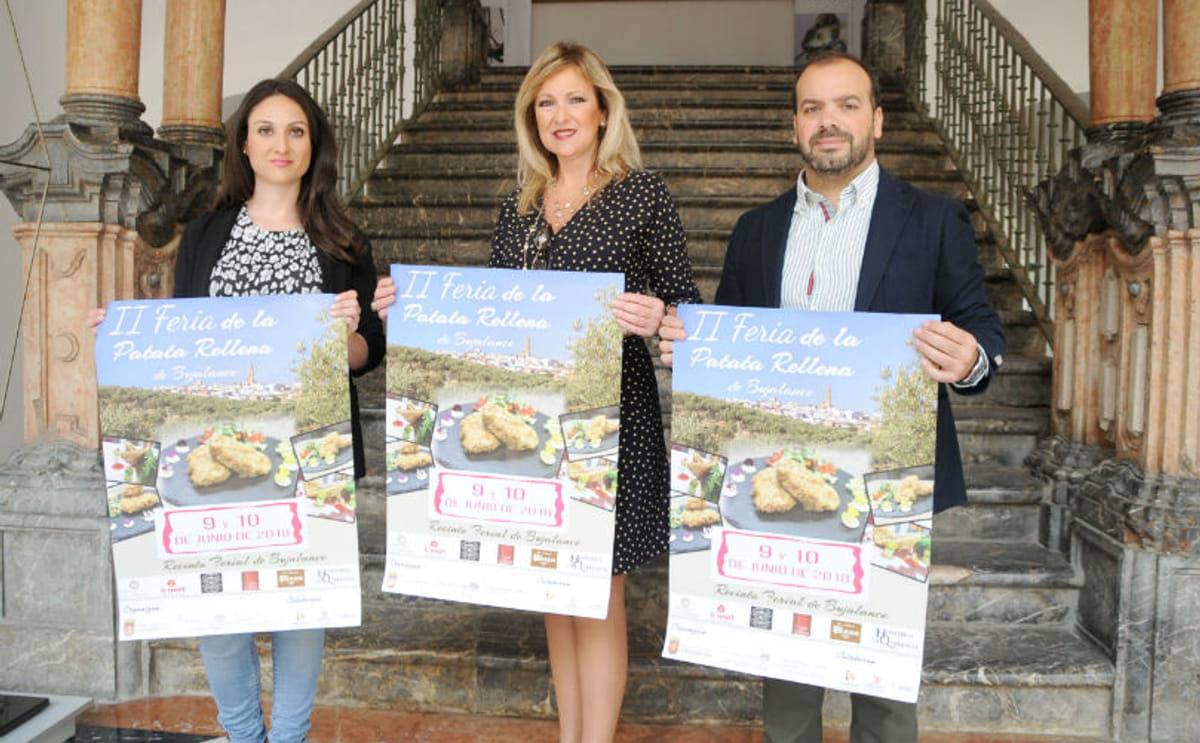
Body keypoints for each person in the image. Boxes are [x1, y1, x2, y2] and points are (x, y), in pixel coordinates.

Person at [658, 51, 1005, 743]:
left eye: (846, 105)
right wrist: (691, 349)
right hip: (777, 476)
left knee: (880, 675)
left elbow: (984, 331)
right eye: (813, 108)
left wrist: (970, 358)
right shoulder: (756, 229)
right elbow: (730, 339)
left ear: (876, 119)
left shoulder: (934, 220)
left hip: (887, 480)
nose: (829, 122)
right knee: (784, 661)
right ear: (795, 126)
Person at [374, 42, 702, 743]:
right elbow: (491, 319)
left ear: (603, 107)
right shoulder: (517, 209)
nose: (560, 115)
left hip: (614, 423)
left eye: (574, 98)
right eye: (545, 102)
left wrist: (658, 316)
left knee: (599, 593)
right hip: (533, 422)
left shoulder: (642, 195)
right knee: (553, 587)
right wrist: (413, 306)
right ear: (531, 118)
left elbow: (690, 319)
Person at [91, 78, 385, 743]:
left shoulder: (342, 240)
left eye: (296, 131)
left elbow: (374, 349)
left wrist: (347, 345)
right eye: (265, 130)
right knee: (217, 606)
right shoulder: (205, 233)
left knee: (299, 606)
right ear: (244, 145)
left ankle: (288, 737)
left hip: (310, 453)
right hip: (208, 449)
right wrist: (122, 332)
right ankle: (244, 734)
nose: (280, 144)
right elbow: (179, 334)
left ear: (314, 148)